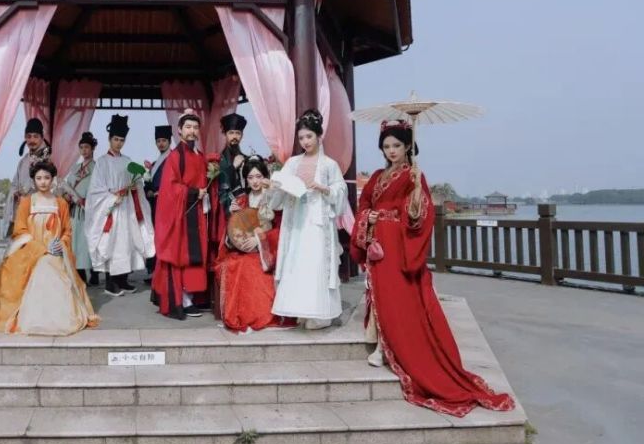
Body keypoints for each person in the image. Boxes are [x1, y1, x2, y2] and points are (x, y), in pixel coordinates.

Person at [350, 120, 515, 416]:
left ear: (407, 147)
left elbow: (419, 218)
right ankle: (380, 346)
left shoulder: (414, 176)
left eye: (397, 145)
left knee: (397, 297)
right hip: (377, 242)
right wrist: (369, 217)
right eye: (386, 146)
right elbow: (363, 205)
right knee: (379, 295)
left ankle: (392, 349)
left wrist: (415, 201)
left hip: (397, 245)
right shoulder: (376, 176)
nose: (391, 151)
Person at [0, 160, 99, 336]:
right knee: (39, 267)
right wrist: (42, 248)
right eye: (39, 178)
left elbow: (67, 230)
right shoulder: (26, 202)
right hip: (32, 250)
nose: (43, 182)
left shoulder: (61, 203)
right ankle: (34, 318)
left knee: (52, 266)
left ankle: (59, 318)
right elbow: (20, 230)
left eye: (47, 178)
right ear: (33, 180)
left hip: (56, 250)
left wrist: (60, 244)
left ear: (52, 179)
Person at [269, 109, 348, 328]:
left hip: (318, 221)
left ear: (319, 136)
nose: (305, 141)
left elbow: (340, 191)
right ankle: (301, 310)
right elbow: (281, 190)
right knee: (297, 264)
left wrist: (324, 188)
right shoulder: (292, 163)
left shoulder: (329, 164)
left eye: (309, 136)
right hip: (297, 219)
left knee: (316, 265)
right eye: (301, 137)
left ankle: (321, 314)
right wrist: (277, 185)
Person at [151, 110, 213, 319]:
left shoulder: (200, 156)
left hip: (197, 213)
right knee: (182, 257)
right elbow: (169, 188)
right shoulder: (176, 156)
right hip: (183, 215)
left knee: (196, 256)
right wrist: (194, 192)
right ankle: (183, 300)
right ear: (179, 130)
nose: (192, 131)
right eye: (188, 127)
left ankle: (194, 296)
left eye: (195, 127)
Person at [85, 115, 155, 296]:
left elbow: (136, 184)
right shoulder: (102, 162)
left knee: (127, 243)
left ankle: (123, 280)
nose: (118, 143)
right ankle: (111, 283)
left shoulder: (127, 161)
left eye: (121, 140)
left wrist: (136, 184)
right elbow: (95, 190)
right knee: (112, 244)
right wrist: (111, 197)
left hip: (127, 209)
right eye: (115, 139)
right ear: (109, 139)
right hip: (112, 209)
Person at [216, 156, 286, 333]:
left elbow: (280, 230)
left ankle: (259, 315)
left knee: (249, 266)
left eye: (259, 176)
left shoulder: (273, 199)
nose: (255, 181)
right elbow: (231, 232)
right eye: (250, 177)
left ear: (265, 176)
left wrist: (259, 240)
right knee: (234, 264)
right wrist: (233, 216)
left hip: (265, 252)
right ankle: (238, 315)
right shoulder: (241, 200)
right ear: (245, 179)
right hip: (242, 250)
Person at [58, 132, 99, 285]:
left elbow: (99, 188)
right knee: (76, 242)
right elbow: (68, 185)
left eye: (87, 147)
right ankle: (80, 274)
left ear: (93, 148)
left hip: (90, 209)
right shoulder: (75, 168)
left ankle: (94, 273)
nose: (84, 150)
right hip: (75, 210)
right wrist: (67, 196)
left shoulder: (97, 167)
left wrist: (88, 200)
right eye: (81, 147)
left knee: (89, 242)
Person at [5, 118, 50, 229]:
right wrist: (15, 194)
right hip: (23, 213)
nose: (32, 140)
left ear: (42, 138)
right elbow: (14, 185)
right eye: (29, 137)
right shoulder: (23, 161)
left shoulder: (48, 161)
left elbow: (51, 190)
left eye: (35, 136)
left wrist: (28, 199)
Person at [143, 125, 173, 277]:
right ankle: (154, 269)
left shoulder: (174, 159)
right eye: (158, 141)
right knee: (154, 235)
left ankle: (165, 270)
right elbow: (149, 183)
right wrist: (148, 190)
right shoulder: (155, 164)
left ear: (169, 141)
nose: (161, 143)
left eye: (164, 140)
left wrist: (163, 192)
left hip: (168, 204)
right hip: (154, 204)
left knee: (166, 235)